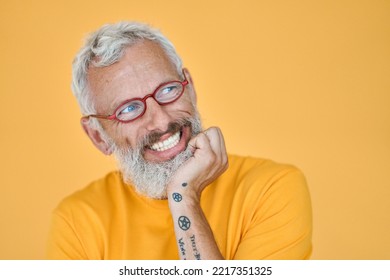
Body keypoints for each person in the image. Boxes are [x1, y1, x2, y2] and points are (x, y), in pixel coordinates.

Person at [46, 21, 312, 260]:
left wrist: (183, 196)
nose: (160, 121)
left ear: (191, 88)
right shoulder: (77, 223)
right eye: (128, 109)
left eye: (168, 90)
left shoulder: (270, 188)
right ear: (98, 136)